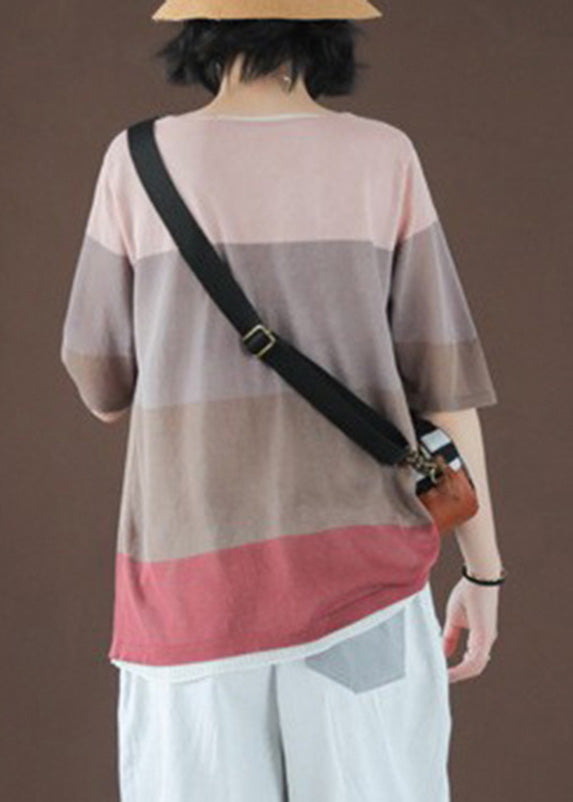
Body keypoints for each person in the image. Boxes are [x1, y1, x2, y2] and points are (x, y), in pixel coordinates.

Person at [59, 1, 507, 800]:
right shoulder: (382, 157)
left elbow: (101, 383)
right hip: (365, 588)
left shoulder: (136, 162)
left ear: (199, 29)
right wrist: (484, 574)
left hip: (193, 598)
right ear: (327, 31)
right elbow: (444, 386)